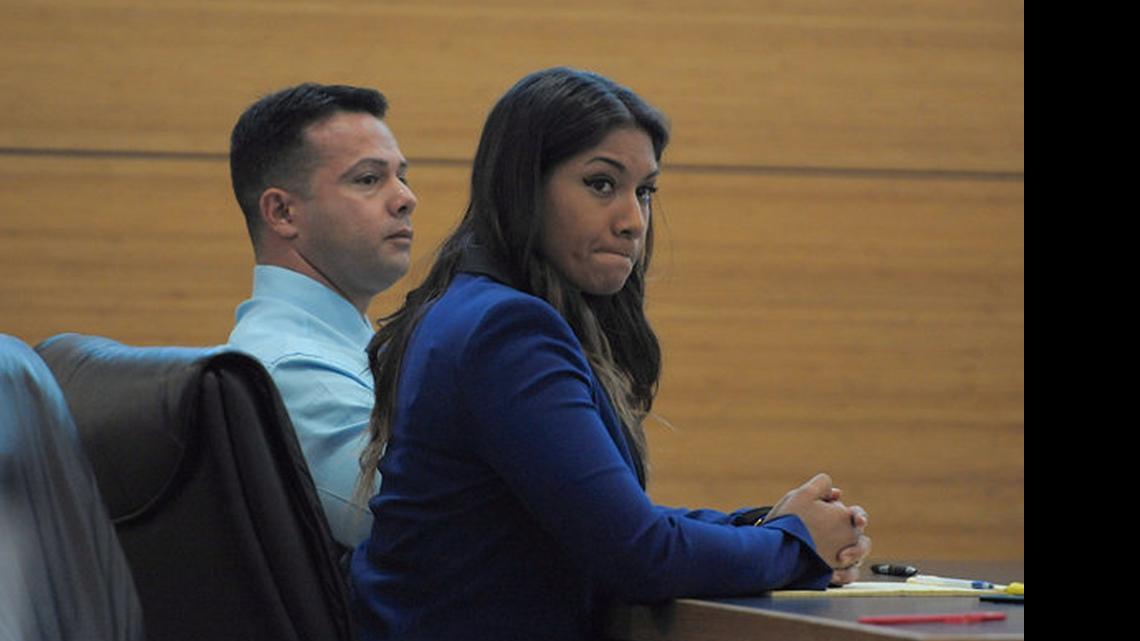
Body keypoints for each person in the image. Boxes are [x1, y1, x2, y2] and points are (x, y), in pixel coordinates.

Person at [349, 67, 871, 641]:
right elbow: (639, 554)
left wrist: (773, 527)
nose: (633, 222)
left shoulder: (469, 309)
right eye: (602, 184)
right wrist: (799, 546)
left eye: (644, 192)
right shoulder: (508, 331)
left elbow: (611, 521)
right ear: (525, 186)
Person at [227, 83, 417, 547]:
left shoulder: (338, 347)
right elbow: (424, 531)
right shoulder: (288, 368)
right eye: (369, 179)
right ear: (282, 212)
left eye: (402, 176)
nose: (405, 198)